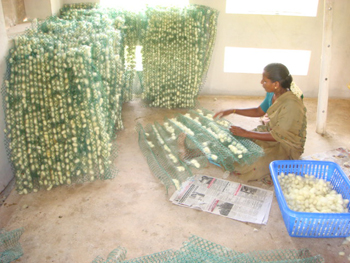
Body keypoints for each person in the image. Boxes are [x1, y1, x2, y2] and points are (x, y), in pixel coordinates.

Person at [213, 63, 307, 182]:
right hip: (271, 132)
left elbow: (279, 136)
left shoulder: (291, 105)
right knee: (235, 142)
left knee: (248, 166)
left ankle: (279, 163)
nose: (261, 83)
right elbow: (259, 111)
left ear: (276, 84)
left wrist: (246, 133)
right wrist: (233, 111)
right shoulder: (273, 93)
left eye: (264, 81)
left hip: (286, 145)